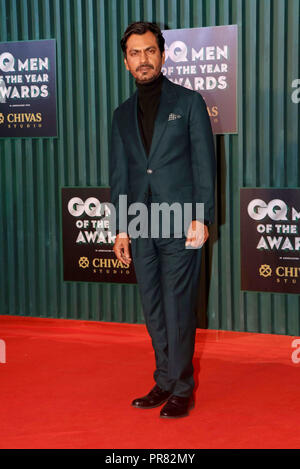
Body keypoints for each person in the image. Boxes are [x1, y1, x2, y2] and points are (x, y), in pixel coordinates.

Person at [109, 22, 216, 418]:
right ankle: (165, 379)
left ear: (163, 54)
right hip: (139, 222)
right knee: (153, 307)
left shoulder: (189, 102)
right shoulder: (121, 114)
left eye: (150, 51)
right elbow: (119, 173)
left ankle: (182, 387)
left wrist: (202, 217)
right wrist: (120, 226)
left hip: (180, 221)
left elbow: (205, 164)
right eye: (135, 53)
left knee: (177, 306)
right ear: (126, 63)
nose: (143, 59)